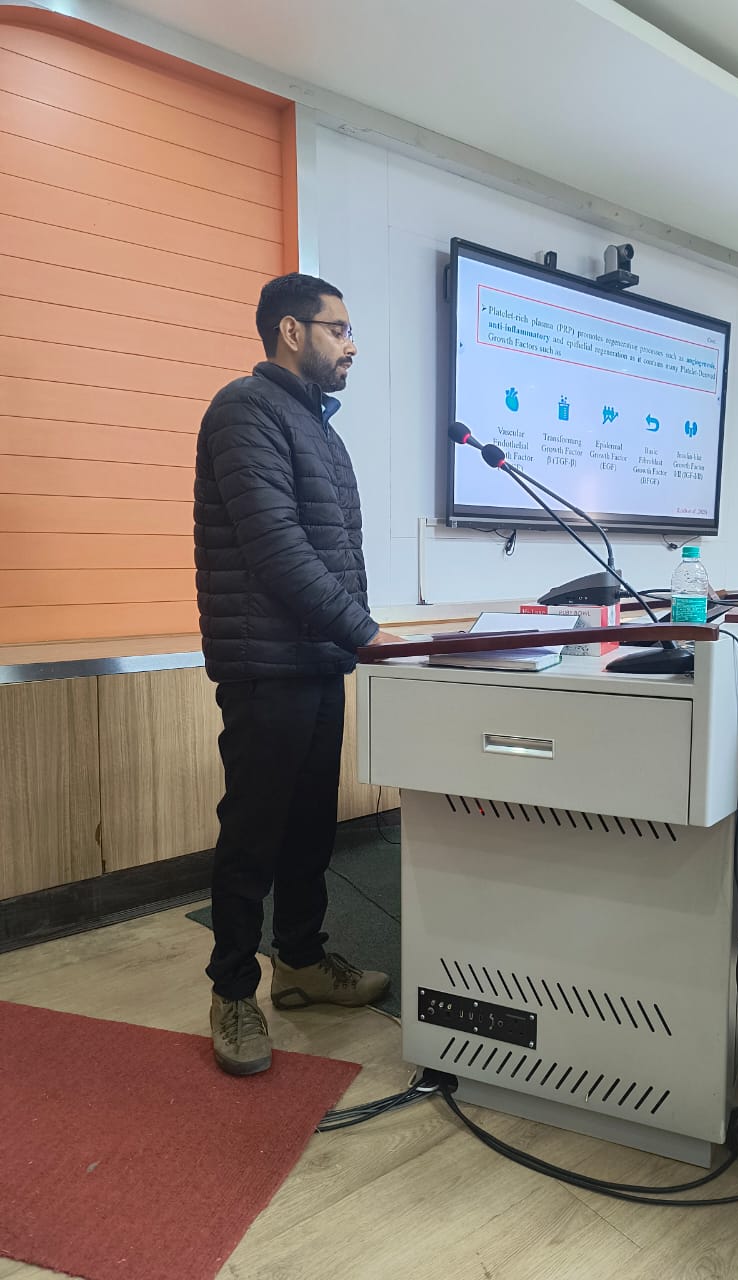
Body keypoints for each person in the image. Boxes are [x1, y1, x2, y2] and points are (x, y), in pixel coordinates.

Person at [194, 272, 403, 1076]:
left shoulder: (317, 427)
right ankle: (232, 991)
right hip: (265, 663)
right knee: (254, 833)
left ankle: (303, 963)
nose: (352, 345)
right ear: (291, 330)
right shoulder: (244, 411)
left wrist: (350, 637)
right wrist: (367, 633)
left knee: (313, 826)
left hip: (316, 657)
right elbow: (278, 550)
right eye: (338, 329)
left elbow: (335, 556)